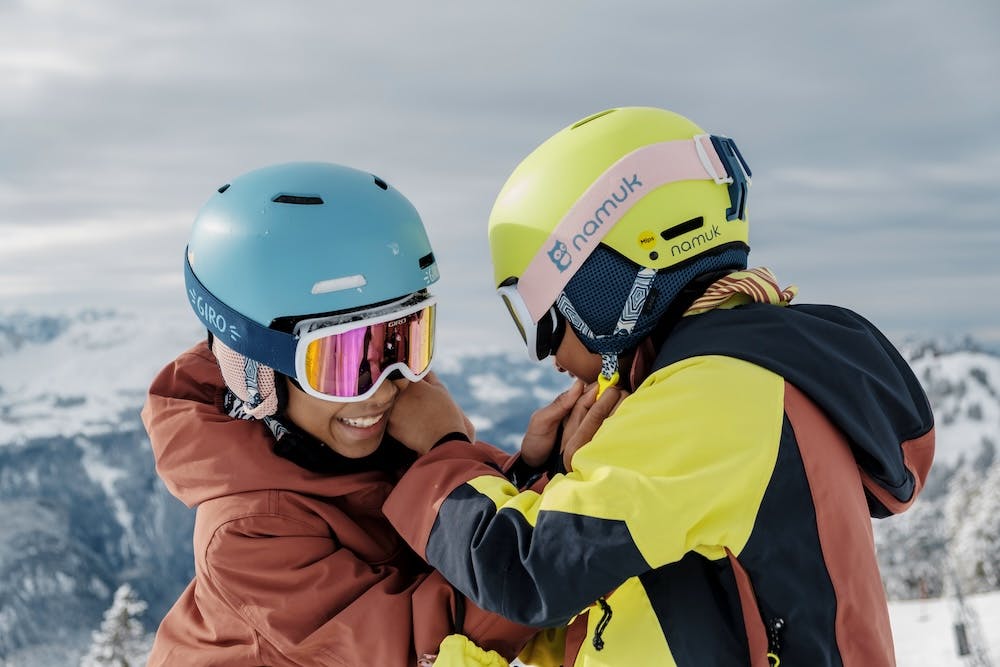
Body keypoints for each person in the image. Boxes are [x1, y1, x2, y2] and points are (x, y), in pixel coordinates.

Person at [381, 107, 936, 666]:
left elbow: (528, 572)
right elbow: (624, 608)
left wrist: (444, 453)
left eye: (545, 317)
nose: (549, 356)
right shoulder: (741, 379)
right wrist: (545, 476)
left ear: (602, 282)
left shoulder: (716, 396)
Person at [141, 162, 538, 666]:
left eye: (404, 341)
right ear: (258, 373)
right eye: (343, 360)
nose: (381, 388)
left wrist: (534, 470)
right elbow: (425, 645)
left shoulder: (375, 441)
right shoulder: (248, 532)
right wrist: (450, 453)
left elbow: (478, 545)